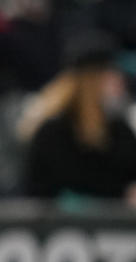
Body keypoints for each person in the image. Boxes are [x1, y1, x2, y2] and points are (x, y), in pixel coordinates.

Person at [19, 42, 136, 204]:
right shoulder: (54, 133)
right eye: (112, 75)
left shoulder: (120, 131)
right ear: (91, 81)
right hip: (63, 227)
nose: (121, 84)